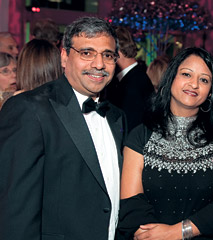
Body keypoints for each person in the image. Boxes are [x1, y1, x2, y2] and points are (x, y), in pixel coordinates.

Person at [0, 17, 126, 240]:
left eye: (107, 55)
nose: (99, 64)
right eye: (87, 53)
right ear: (65, 57)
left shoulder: (117, 117)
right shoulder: (29, 109)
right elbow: (15, 210)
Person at [117, 47, 213, 240]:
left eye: (204, 80)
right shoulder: (140, 135)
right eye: (186, 74)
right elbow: (131, 202)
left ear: (210, 92)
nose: (194, 84)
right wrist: (155, 236)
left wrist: (176, 232)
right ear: (171, 78)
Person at [102, 26, 154, 132]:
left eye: (107, 54)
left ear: (117, 52)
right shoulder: (133, 78)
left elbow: (130, 129)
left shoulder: (134, 84)